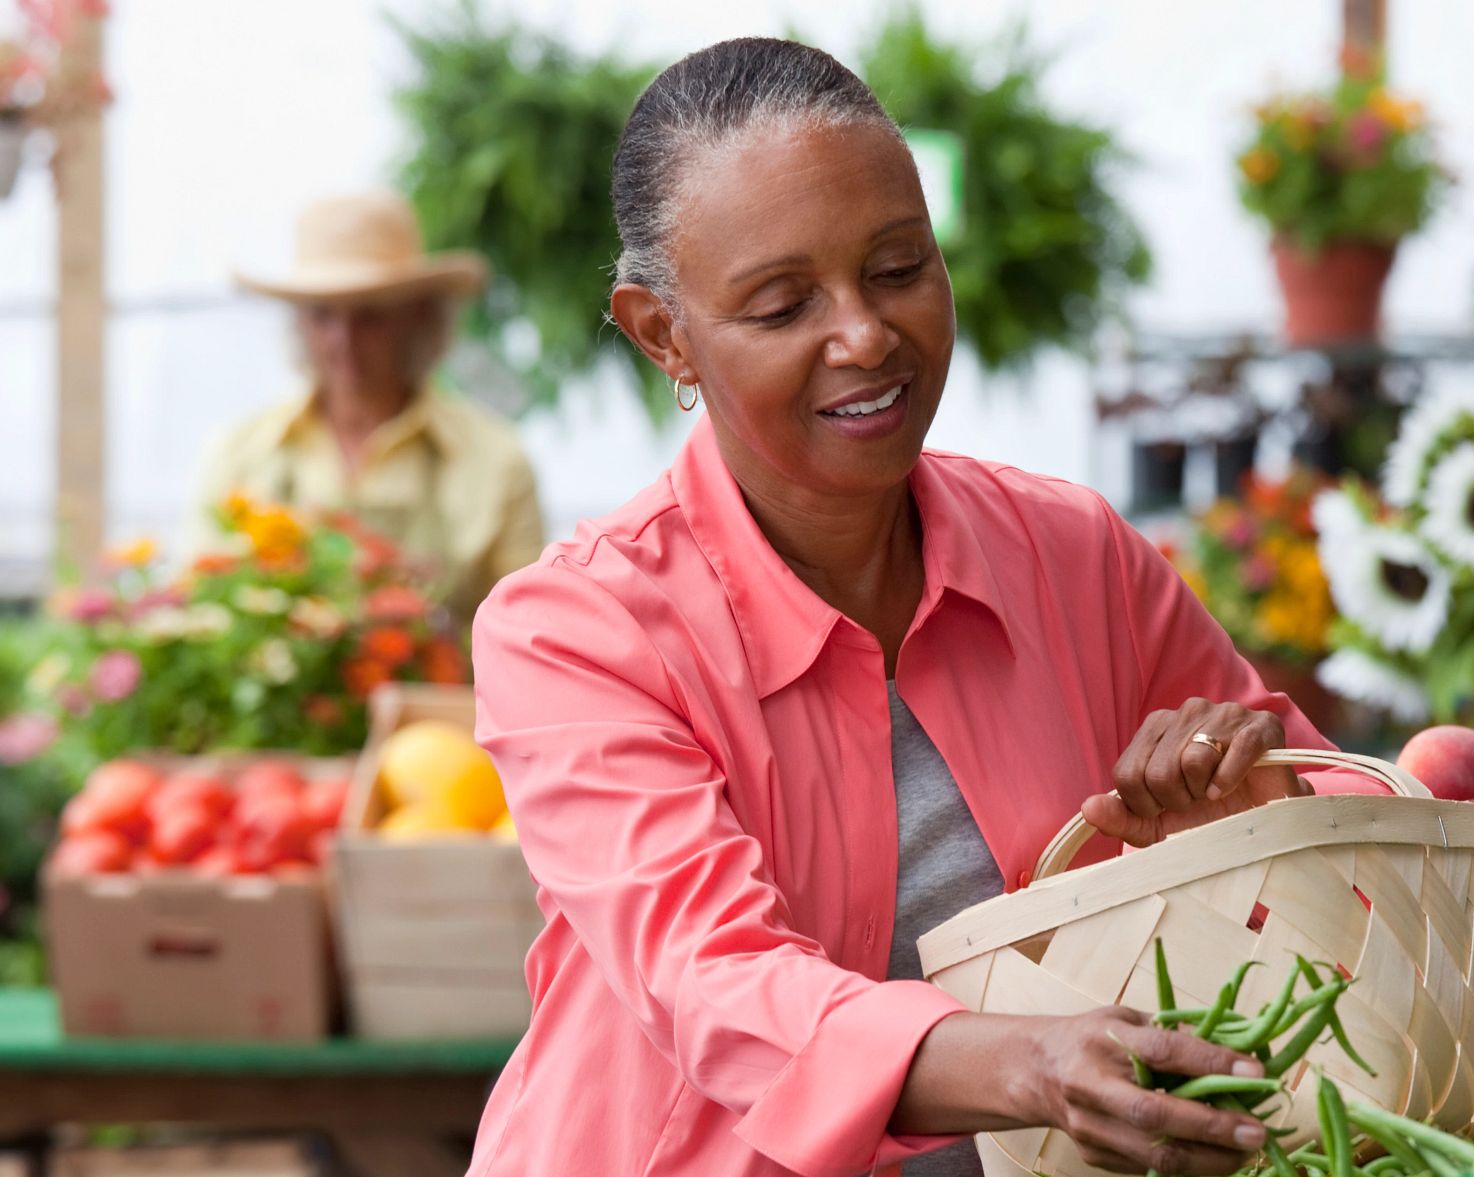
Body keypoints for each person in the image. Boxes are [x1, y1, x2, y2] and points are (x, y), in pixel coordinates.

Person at [465, 39, 1390, 1177]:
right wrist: (1028, 1066)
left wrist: (1243, 790)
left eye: (898, 267)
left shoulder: (1075, 556)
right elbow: (712, 974)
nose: (863, 334)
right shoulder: (576, 632)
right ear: (664, 333)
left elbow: (1343, 832)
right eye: (781, 303)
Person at [189, 190, 545, 624]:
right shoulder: (240, 453)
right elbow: (197, 611)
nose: (344, 340)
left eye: (369, 316)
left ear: (419, 317)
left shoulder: (497, 462)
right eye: (323, 315)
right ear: (299, 323)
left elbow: (530, 633)